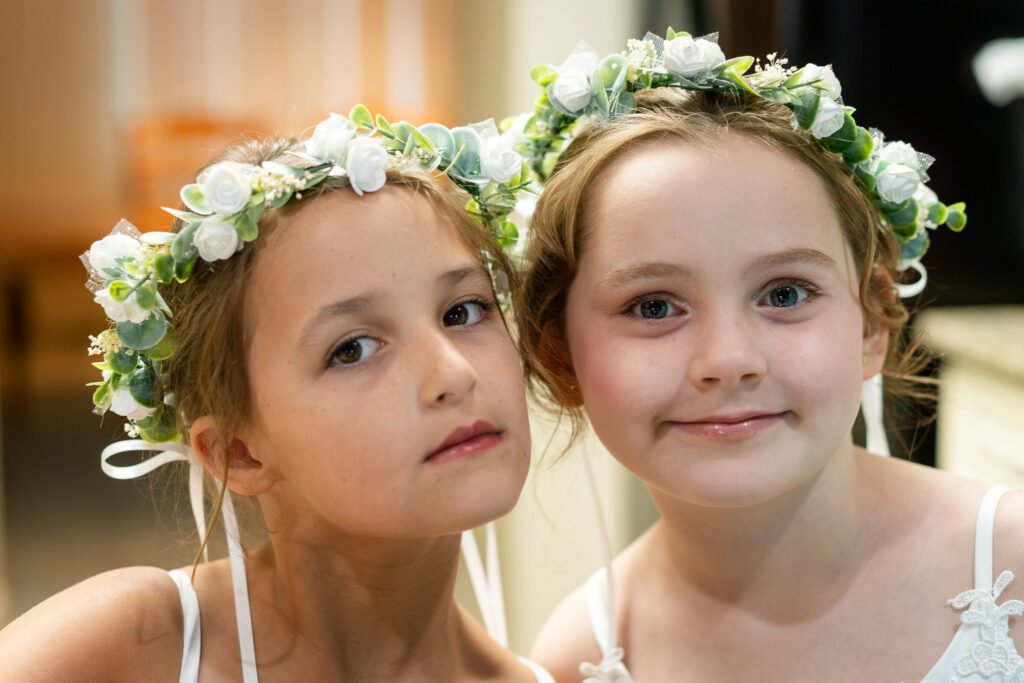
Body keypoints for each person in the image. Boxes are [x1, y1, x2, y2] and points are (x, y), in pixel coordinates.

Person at [517, 30, 1023, 682]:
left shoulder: (1011, 564)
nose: (728, 359)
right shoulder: (580, 653)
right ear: (558, 354)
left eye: (784, 292)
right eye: (653, 306)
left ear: (872, 317)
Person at [0, 105, 553, 682]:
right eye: (353, 349)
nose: (454, 373)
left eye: (463, 311)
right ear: (239, 452)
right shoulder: (131, 647)